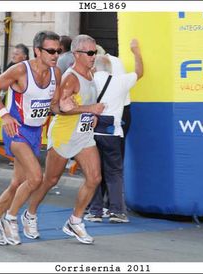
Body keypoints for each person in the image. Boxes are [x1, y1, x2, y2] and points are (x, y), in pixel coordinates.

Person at [0, 31, 68, 245]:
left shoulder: (56, 72)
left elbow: (54, 105)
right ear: (37, 51)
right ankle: (11, 217)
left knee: (17, 182)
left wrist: (66, 107)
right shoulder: (20, 70)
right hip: (16, 130)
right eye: (51, 50)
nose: (56, 55)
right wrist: (5, 114)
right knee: (36, 178)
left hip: (35, 132)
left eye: (58, 51)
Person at [23, 34, 105, 245]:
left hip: (84, 136)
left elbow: (84, 104)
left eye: (95, 52)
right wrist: (90, 109)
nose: (93, 56)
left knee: (95, 178)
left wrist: (92, 116)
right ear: (77, 54)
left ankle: (75, 220)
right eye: (89, 53)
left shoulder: (90, 74)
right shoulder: (70, 78)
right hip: (64, 135)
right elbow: (60, 109)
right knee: (50, 180)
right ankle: (30, 214)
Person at [85, 39, 143, 224]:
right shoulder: (120, 82)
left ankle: (95, 211)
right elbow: (140, 73)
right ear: (110, 68)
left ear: (95, 67)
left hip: (91, 134)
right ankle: (116, 211)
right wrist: (136, 52)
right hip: (113, 134)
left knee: (94, 172)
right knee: (114, 172)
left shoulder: (89, 82)